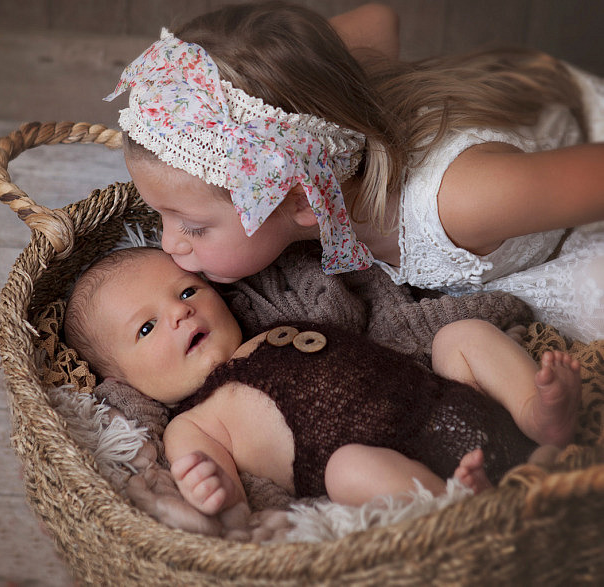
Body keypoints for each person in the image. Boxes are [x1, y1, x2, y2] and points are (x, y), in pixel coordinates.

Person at [106, 1, 604, 343]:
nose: (170, 243)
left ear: (303, 200)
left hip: (576, 151)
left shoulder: (459, 201)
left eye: (192, 226)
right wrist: (291, 77)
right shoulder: (322, 145)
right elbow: (378, 17)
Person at [64, 247, 581, 514]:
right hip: (389, 467)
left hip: (445, 399)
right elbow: (227, 500)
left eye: (185, 292)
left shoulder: (269, 325)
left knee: (461, 335)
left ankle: (539, 415)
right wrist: (209, 489)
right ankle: (460, 508)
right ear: (122, 379)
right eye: (147, 327)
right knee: (347, 470)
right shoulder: (191, 424)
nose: (179, 315)